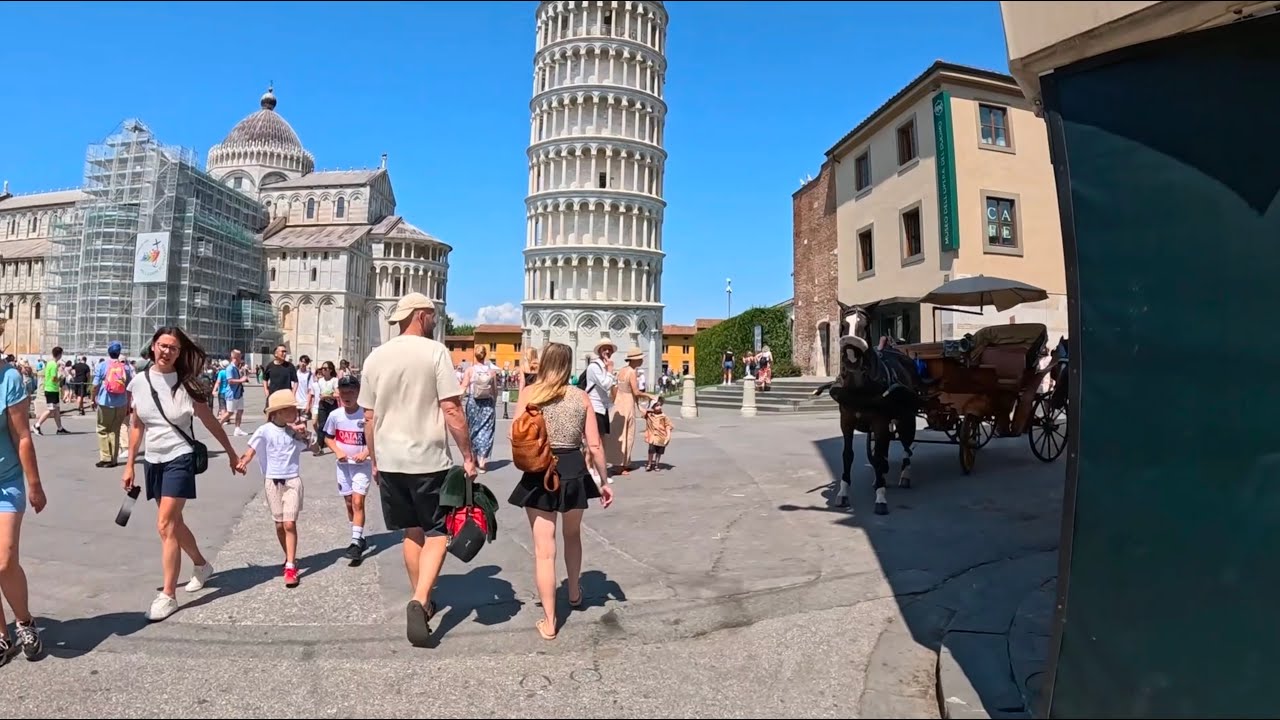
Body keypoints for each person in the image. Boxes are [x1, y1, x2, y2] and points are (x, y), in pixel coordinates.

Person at [358, 292, 474, 647]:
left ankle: (421, 598)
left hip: (391, 459)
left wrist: (375, 460)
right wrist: (468, 454)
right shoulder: (434, 351)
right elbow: (451, 408)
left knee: (411, 532)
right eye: (433, 313)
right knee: (438, 531)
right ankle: (420, 600)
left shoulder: (376, 357)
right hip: (427, 458)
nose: (435, 318)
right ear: (421, 315)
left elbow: (368, 417)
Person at [123, 326, 243, 622]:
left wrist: (231, 452)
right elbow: (136, 424)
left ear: (180, 353)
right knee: (174, 524)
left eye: (173, 348)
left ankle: (168, 596)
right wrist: (129, 464)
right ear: (152, 347)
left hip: (181, 456)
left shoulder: (187, 385)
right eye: (163, 346)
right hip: (153, 459)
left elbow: (211, 422)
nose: (167, 352)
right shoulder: (138, 382)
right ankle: (201, 565)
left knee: (164, 524)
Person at [509, 342, 613, 641]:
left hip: (539, 470)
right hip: (573, 468)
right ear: (568, 365)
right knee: (572, 536)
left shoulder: (530, 393)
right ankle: (575, 592)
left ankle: (550, 620)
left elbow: (513, 432)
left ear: (543, 363)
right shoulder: (580, 397)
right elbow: (593, 445)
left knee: (544, 550)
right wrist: (604, 481)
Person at [0, 350, 46, 664]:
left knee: (4, 560)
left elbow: (23, 436)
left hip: (8, 481)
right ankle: (1, 637)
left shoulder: (10, 378)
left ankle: (25, 622)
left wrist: (35, 485)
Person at [237, 389, 309, 588]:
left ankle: (290, 566)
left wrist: (305, 435)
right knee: (279, 524)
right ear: (276, 413)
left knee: (289, 524)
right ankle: (289, 557)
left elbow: (315, 448)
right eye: (289, 409)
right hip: (272, 482)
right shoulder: (265, 430)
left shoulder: (294, 432)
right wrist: (244, 461)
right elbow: (252, 449)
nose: (294, 412)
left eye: (295, 409)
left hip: (292, 481)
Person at [324, 375, 373, 561]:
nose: (347, 396)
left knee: (358, 501)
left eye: (351, 392)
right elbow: (328, 437)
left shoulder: (366, 415)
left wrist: (366, 452)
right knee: (349, 503)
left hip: (362, 465)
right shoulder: (335, 416)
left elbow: (375, 438)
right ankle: (359, 535)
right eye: (343, 392)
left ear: (358, 393)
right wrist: (337, 450)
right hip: (343, 466)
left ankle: (355, 543)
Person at [93, 342, 134, 469]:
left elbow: (95, 385)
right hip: (121, 402)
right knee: (115, 430)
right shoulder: (125, 368)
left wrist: (93, 398)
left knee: (102, 428)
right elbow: (129, 388)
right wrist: (128, 404)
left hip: (105, 401)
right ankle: (114, 458)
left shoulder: (102, 365)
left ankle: (106, 458)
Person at [460, 345, 498, 474]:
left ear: (475, 355)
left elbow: (464, 387)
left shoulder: (470, 371)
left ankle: (474, 456)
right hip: (487, 403)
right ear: (485, 355)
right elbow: (494, 390)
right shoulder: (491, 372)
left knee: (472, 429)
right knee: (486, 429)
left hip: (473, 403)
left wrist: (458, 400)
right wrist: (494, 401)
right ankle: (482, 460)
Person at [642, 396, 673, 472]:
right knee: (651, 451)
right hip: (652, 437)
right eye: (657, 405)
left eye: (660, 405)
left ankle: (656, 464)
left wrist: (668, 436)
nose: (659, 407)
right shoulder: (649, 415)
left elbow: (668, 426)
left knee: (659, 452)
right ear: (652, 407)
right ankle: (649, 464)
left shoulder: (664, 416)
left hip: (661, 437)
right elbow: (642, 410)